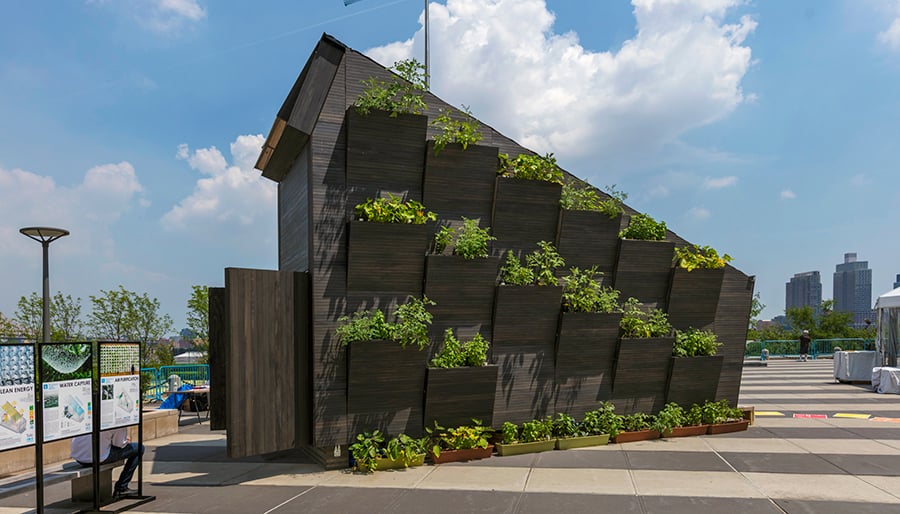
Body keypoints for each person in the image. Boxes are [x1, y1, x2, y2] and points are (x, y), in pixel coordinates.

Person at [71, 427, 144, 498]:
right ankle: (122, 487)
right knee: (139, 448)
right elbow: (120, 444)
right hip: (99, 458)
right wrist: (125, 440)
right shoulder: (119, 421)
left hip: (79, 457)